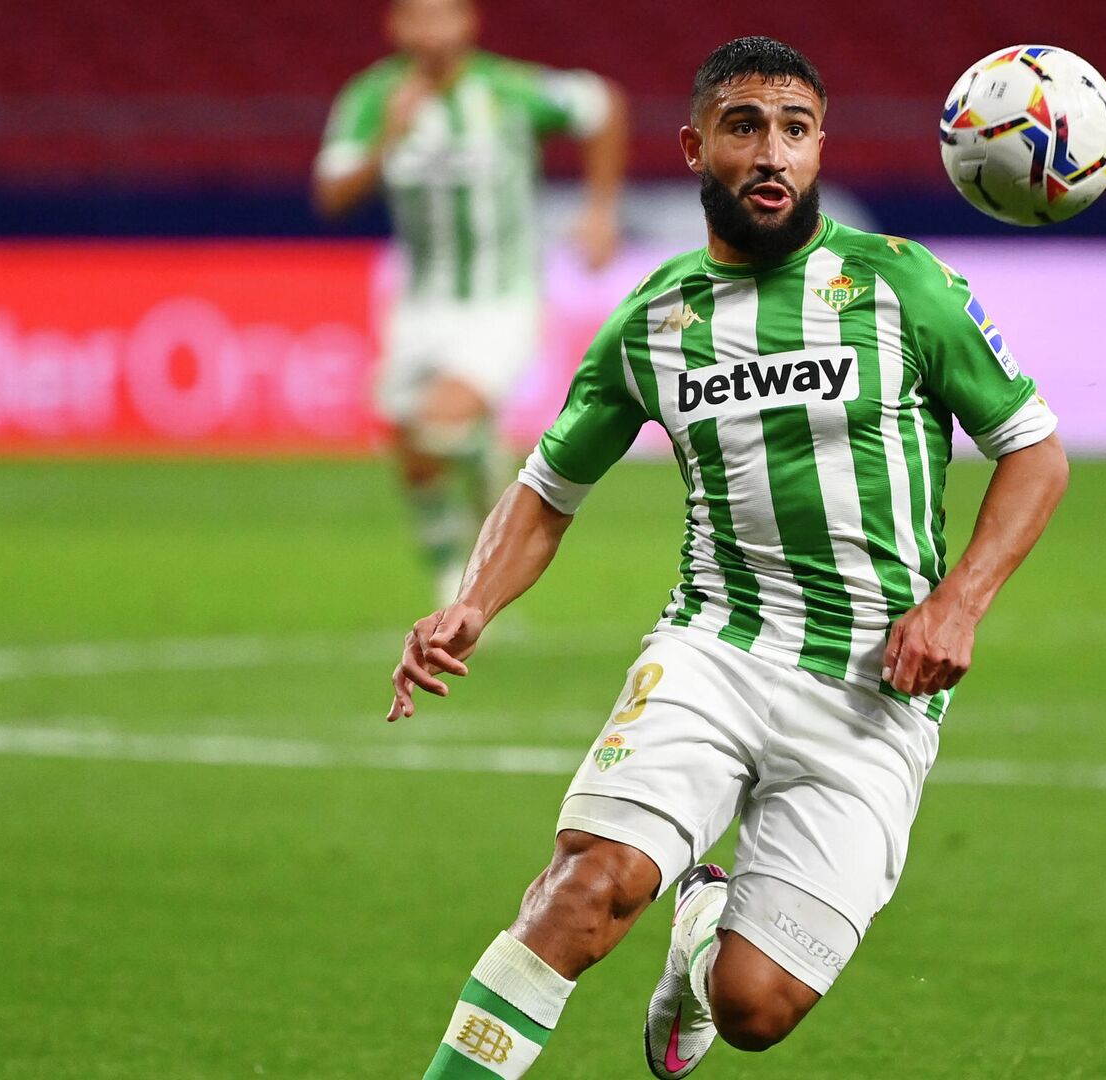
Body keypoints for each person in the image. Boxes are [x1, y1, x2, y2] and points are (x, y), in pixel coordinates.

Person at [387, 36, 1070, 1079]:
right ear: (696, 145)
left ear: (818, 148)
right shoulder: (653, 320)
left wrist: (959, 604)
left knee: (756, 1009)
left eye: (794, 130)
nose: (771, 152)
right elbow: (545, 488)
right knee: (587, 889)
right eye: (744, 126)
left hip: (873, 687)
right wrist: (473, 604)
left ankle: (702, 936)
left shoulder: (904, 287)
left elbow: (1034, 450)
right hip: (714, 649)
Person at [313, 0, 628, 603]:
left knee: (443, 420)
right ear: (396, 27)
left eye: (443, 16)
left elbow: (603, 104)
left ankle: (475, 516)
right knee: (413, 450)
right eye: (417, 18)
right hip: (418, 305)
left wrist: (600, 211)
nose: (431, 32)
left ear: (468, 23)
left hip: (500, 301)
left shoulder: (507, 89)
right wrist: (387, 137)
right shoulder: (371, 97)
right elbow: (332, 195)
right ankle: (445, 566)